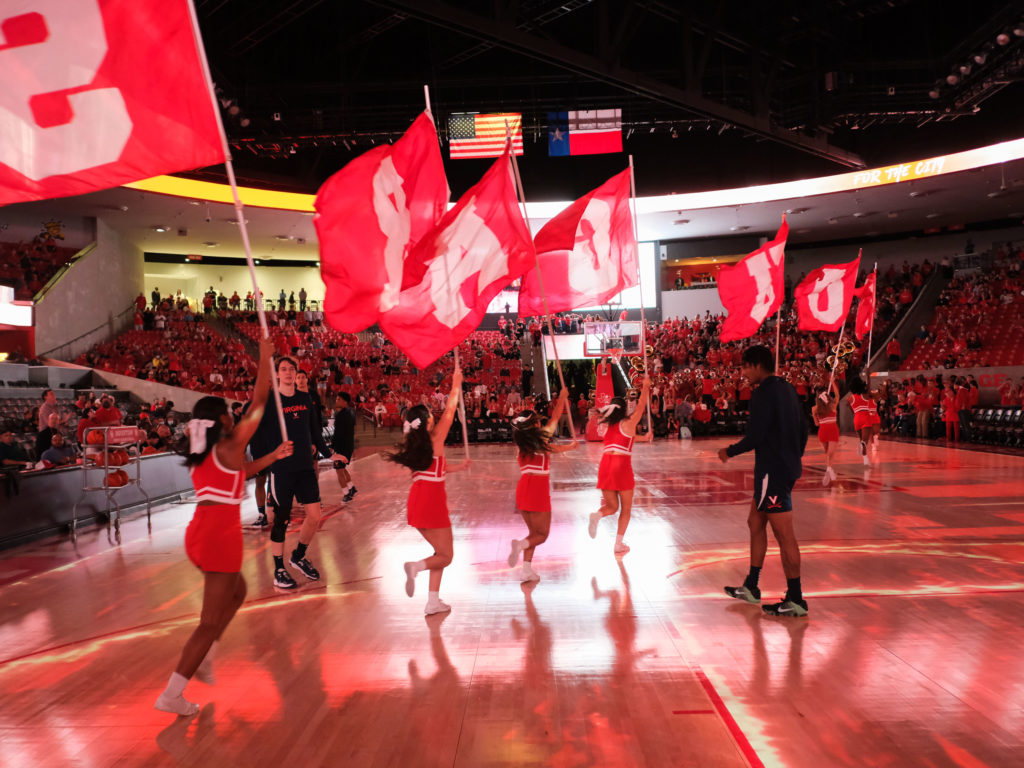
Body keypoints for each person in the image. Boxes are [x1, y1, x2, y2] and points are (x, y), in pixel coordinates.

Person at [154, 338, 293, 717]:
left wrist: (271, 456)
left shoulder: (207, 450)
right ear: (223, 420)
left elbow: (238, 476)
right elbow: (260, 402)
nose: (236, 415)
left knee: (238, 591)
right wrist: (265, 360)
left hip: (200, 531)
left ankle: (208, 653)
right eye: (230, 413)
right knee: (208, 621)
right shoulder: (230, 443)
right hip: (220, 535)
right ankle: (174, 691)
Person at [718, 345, 809, 617]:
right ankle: (751, 586)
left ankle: (796, 599)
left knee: (785, 536)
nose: (743, 373)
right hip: (782, 468)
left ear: (758, 365)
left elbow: (755, 436)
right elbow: (804, 429)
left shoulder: (762, 394)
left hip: (773, 472)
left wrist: (729, 451)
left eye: (746, 367)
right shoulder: (788, 389)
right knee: (754, 522)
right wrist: (794, 456)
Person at [252, 357, 345, 589]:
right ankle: (279, 570)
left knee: (314, 516)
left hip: (305, 467)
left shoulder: (305, 399)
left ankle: (298, 556)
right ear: (277, 375)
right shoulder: (270, 402)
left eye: (291, 369)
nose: (288, 373)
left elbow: (314, 431)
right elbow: (258, 432)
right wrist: (266, 459)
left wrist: (328, 453)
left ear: (296, 374)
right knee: (280, 521)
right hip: (282, 470)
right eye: (283, 369)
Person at [387, 366, 469, 615]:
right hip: (432, 503)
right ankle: (416, 567)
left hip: (417, 502)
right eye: (431, 416)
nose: (435, 417)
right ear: (427, 422)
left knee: (439, 552)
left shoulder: (417, 446)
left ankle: (433, 601)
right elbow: (451, 410)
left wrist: (457, 467)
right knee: (446, 556)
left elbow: (434, 471)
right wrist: (456, 384)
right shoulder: (434, 439)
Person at [507, 387, 579, 582]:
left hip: (523, 489)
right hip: (537, 489)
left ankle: (526, 570)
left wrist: (568, 447)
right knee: (542, 535)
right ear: (535, 424)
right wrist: (562, 398)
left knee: (534, 533)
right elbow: (555, 419)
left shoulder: (522, 444)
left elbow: (549, 448)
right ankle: (520, 546)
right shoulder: (541, 438)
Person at [587, 374, 651, 554]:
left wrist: (643, 438)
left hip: (605, 464)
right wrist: (645, 387)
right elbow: (641, 406)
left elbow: (624, 439)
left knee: (611, 507)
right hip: (621, 465)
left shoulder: (610, 426)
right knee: (626, 508)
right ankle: (618, 544)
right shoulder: (629, 422)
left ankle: (597, 515)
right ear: (624, 409)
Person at [847, 376, 881, 463]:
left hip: (856, 418)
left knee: (861, 440)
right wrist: (868, 376)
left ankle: (865, 459)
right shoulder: (865, 395)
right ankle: (863, 451)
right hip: (866, 418)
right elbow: (872, 392)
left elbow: (849, 406)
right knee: (865, 441)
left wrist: (854, 412)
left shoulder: (850, 398)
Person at [811, 380, 840, 485]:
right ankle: (829, 470)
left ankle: (829, 470)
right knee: (829, 453)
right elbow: (837, 395)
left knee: (829, 453)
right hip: (828, 430)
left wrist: (832, 383)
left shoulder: (821, 408)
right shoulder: (820, 408)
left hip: (827, 431)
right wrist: (833, 383)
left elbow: (816, 424)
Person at [332, 392, 357, 503]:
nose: (336, 401)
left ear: (344, 402)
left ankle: (347, 494)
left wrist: (333, 447)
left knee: (339, 470)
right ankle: (352, 487)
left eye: (338, 399)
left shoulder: (341, 415)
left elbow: (338, 433)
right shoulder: (350, 412)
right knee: (342, 468)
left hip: (341, 446)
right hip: (348, 445)